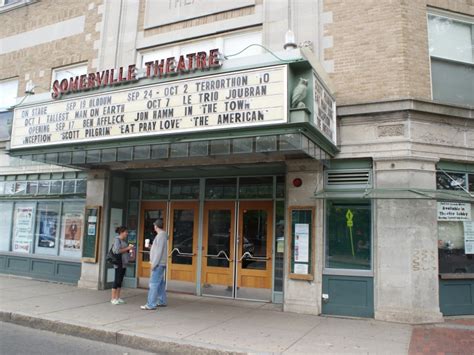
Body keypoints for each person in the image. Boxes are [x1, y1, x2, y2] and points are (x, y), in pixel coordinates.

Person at [141, 218, 168, 310]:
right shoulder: (162, 235)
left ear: (156, 226)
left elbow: (159, 252)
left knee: (153, 284)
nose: (154, 227)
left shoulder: (160, 236)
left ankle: (151, 304)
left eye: (154, 225)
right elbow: (158, 249)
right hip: (161, 263)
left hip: (158, 264)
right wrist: (151, 246)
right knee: (160, 283)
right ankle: (162, 301)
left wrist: (154, 264)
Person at [111, 226, 133, 305]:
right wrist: (127, 248)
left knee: (120, 281)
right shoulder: (117, 240)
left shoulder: (123, 240)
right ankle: (113, 298)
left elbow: (124, 251)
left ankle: (117, 297)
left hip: (123, 263)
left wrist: (129, 251)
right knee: (116, 280)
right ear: (121, 232)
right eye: (126, 232)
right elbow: (117, 251)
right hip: (118, 263)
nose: (127, 233)